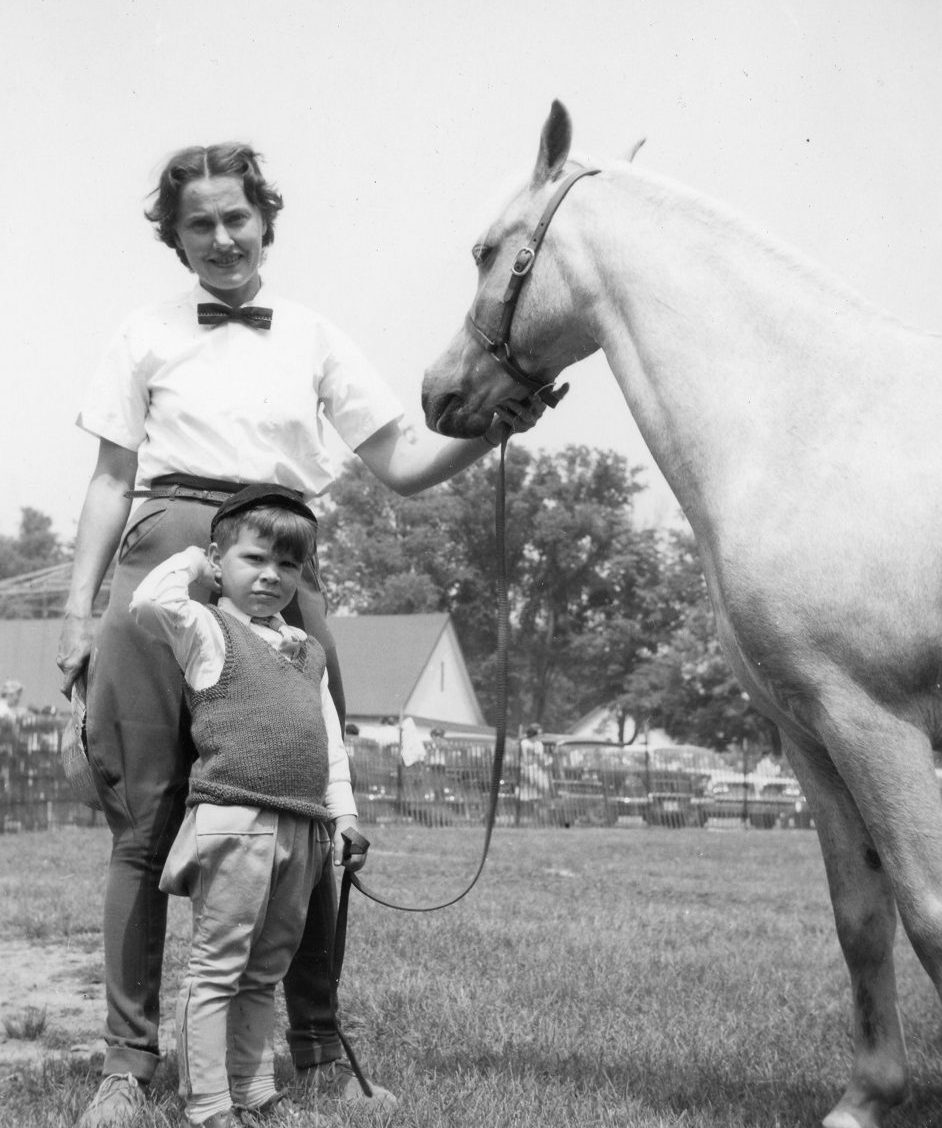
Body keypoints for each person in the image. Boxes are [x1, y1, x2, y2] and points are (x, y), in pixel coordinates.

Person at [56, 141, 545, 1128]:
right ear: (175, 237)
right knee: (145, 826)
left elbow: (402, 459)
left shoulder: (314, 334)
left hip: (281, 568)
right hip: (164, 569)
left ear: (266, 220)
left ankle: (314, 1048)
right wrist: (77, 614)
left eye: (238, 217)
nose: (223, 237)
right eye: (200, 224)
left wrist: (498, 423)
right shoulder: (144, 333)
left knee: (304, 823)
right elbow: (111, 481)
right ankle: (126, 1061)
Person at [129, 486, 363, 1128]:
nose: (270, 576)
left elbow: (329, 741)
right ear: (218, 560)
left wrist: (342, 815)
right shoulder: (207, 630)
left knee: (267, 967)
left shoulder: (307, 651)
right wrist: (196, 566)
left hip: (302, 828)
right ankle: (207, 1103)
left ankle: (255, 1088)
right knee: (218, 966)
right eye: (253, 559)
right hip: (234, 822)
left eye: (287, 566)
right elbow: (150, 599)